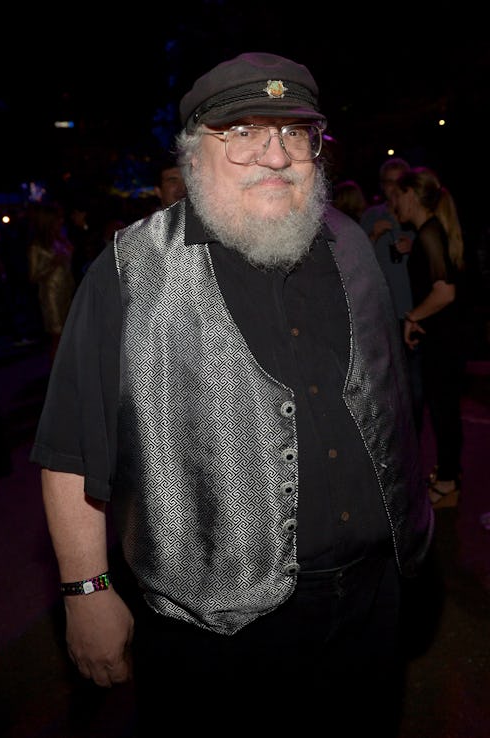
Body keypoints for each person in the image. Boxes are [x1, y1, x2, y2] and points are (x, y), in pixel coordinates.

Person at [31, 52, 433, 737]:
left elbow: (390, 399)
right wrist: (86, 591)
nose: (274, 155)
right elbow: (70, 450)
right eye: (243, 132)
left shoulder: (351, 245)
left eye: (294, 133)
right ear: (194, 154)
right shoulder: (131, 270)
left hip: (372, 601)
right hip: (218, 632)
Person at [393, 166, 465, 510]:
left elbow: (445, 292)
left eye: (399, 195)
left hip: (444, 342)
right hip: (445, 339)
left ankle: (449, 483)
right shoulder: (429, 232)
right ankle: (449, 476)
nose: (395, 203)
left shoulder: (430, 233)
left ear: (411, 195)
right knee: (444, 410)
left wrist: (412, 316)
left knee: (444, 412)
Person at [361, 157, 424, 432]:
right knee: (386, 385)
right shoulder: (372, 216)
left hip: (413, 311)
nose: (394, 188)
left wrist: (415, 247)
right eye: (389, 182)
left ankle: (414, 443)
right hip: (381, 313)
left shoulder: (413, 216)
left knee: (416, 385)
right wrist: (373, 237)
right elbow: (355, 264)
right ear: (382, 185)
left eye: (400, 182)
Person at [27, 202, 75, 361]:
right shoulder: (37, 245)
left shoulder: (60, 239)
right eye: (58, 218)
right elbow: (33, 276)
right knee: (57, 335)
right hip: (51, 294)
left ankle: (66, 368)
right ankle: (57, 371)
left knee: (68, 333)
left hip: (66, 290)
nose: (61, 221)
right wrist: (52, 264)